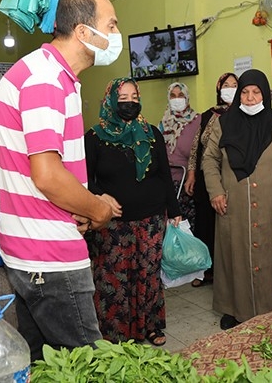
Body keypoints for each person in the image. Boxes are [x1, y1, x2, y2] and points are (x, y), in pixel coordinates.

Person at [0, 0, 122, 361]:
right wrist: (97, 209)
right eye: (110, 26)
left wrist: (76, 206)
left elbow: (52, 172)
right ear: (83, 32)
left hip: (33, 247)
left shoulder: (49, 74)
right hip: (49, 257)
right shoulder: (45, 80)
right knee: (86, 364)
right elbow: (47, 176)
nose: (115, 35)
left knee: (45, 364)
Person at [201, 68, 272, 330]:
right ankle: (233, 309)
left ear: (265, 95)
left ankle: (270, 306)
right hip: (233, 204)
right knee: (234, 257)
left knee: (271, 256)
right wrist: (215, 191)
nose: (249, 98)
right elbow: (210, 159)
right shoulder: (223, 123)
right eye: (245, 92)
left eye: (255, 92)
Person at [85, 77, 182, 347]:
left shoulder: (151, 133)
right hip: (112, 224)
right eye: (123, 98)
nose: (129, 103)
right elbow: (84, 178)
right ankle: (115, 333)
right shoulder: (94, 137)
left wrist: (174, 210)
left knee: (148, 276)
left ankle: (149, 326)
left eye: (134, 98)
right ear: (110, 101)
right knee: (114, 279)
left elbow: (164, 174)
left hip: (151, 220)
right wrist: (99, 198)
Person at [184, 72, 238, 287]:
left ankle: (226, 274)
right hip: (207, 177)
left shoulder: (242, 115)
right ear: (219, 87)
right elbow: (197, 147)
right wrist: (191, 173)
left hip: (231, 178)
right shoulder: (208, 115)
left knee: (227, 229)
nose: (230, 88)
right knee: (205, 227)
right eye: (227, 85)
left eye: (235, 85)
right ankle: (204, 272)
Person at [158, 82, 201, 230]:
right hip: (165, 185)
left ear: (187, 98)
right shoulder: (163, 123)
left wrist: (192, 174)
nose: (177, 99)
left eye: (181, 96)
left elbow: (200, 154)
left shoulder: (198, 122)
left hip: (188, 185)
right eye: (173, 96)